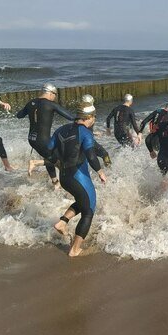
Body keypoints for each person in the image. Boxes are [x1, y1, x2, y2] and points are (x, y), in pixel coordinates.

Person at [48, 103, 107, 257]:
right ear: (89, 117)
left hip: (64, 177)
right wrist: (100, 171)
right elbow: (91, 155)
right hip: (78, 176)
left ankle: (62, 222)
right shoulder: (85, 133)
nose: (94, 119)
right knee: (88, 210)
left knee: (82, 201)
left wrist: (59, 162)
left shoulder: (61, 129)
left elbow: (49, 149)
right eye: (94, 117)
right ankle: (75, 249)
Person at [16, 83, 74, 187]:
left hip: (32, 139)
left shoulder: (30, 103)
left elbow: (19, 115)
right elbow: (70, 117)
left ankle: (55, 183)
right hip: (43, 140)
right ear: (51, 93)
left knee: (49, 157)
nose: (55, 97)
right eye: (55, 95)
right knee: (61, 163)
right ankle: (35, 163)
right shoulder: (50, 104)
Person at [80, 94, 112, 168]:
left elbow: (81, 127)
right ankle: (109, 170)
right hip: (88, 140)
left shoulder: (80, 112)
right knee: (104, 154)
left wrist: (93, 133)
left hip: (82, 139)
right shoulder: (90, 113)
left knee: (84, 161)